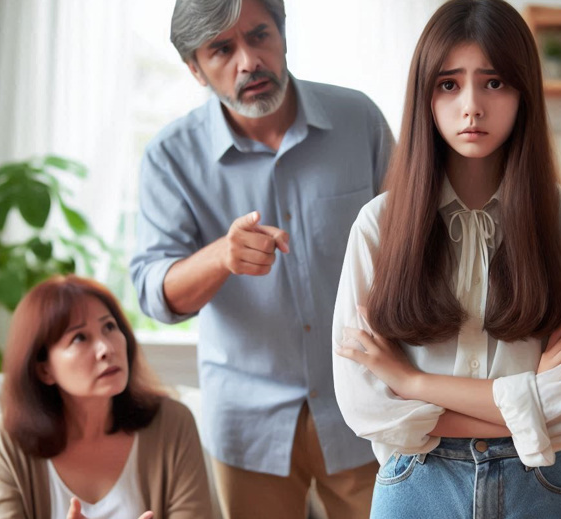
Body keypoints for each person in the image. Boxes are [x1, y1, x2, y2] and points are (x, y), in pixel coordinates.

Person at [332, 0, 561, 518]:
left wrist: (411, 381)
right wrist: (529, 397)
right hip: (416, 483)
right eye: (449, 84)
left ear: (524, 91)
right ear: (425, 94)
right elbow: (366, 406)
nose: (471, 107)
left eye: (493, 82)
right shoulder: (378, 227)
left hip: (541, 486)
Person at [129, 0, 393, 517]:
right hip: (248, 423)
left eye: (259, 35)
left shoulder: (358, 119)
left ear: (283, 34)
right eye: (221, 49)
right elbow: (152, 293)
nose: (248, 60)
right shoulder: (169, 156)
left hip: (365, 404)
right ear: (195, 69)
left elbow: (412, 242)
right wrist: (220, 257)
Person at [0, 275, 213, 519]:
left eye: (109, 327)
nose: (106, 349)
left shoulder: (173, 423)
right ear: (44, 369)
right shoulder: (5, 442)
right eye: (79, 337)